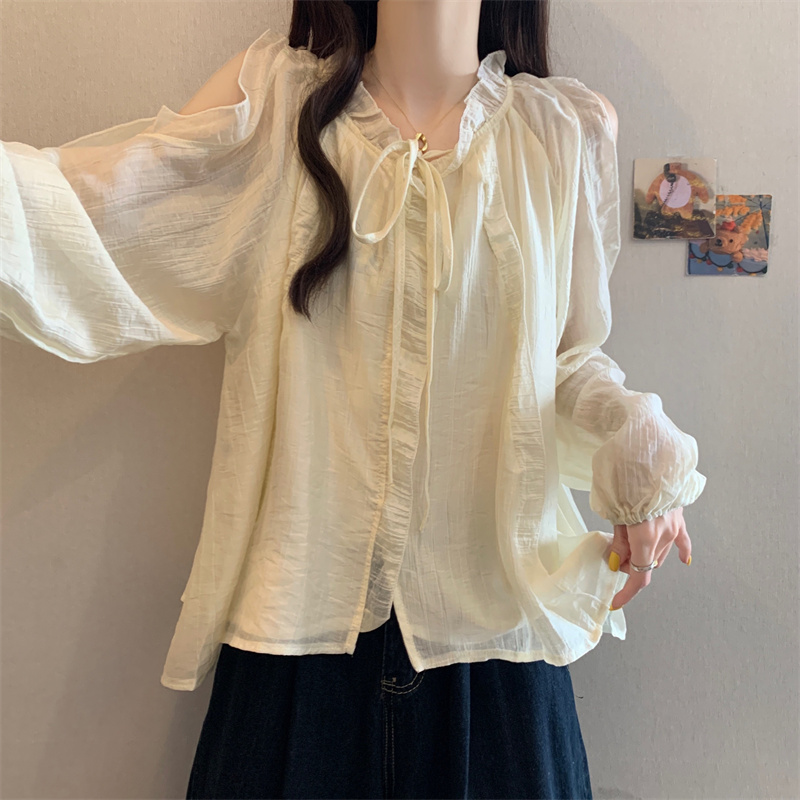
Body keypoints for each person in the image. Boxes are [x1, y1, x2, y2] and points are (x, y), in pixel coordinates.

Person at [0, 0, 707, 797]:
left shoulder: (563, 131)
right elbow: (85, 213)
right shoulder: (273, 107)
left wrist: (637, 445)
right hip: (297, 642)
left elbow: (564, 362)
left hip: (498, 653)